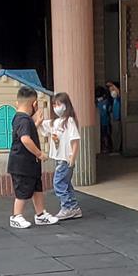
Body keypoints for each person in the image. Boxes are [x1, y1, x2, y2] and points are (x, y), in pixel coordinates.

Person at [5, 87, 58, 230]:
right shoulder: (24, 120)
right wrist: (39, 154)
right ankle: (16, 216)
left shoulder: (20, 118)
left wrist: (37, 123)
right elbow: (25, 139)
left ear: (17, 103)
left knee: (37, 189)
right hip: (22, 165)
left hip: (29, 164)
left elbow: (24, 132)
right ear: (34, 104)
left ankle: (40, 214)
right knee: (22, 192)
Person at [41, 91, 82, 221]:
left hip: (66, 159)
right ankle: (73, 207)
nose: (56, 107)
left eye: (58, 104)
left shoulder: (69, 121)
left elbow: (75, 141)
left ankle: (68, 207)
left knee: (58, 183)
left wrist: (72, 158)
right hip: (59, 159)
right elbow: (42, 125)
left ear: (65, 105)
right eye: (54, 105)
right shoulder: (55, 122)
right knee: (65, 183)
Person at [106, 80, 122, 154]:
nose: (112, 91)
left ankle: (117, 148)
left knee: (117, 133)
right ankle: (115, 148)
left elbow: (118, 92)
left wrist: (113, 85)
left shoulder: (118, 99)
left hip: (118, 118)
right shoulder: (112, 100)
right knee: (114, 133)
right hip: (113, 118)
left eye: (113, 89)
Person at [95, 85, 112, 154]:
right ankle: (105, 147)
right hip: (104, 121)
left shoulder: (101, 102)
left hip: (103, 122)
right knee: (105, 135)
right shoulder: (104, 102)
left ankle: (106, 147)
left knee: (104, 135)